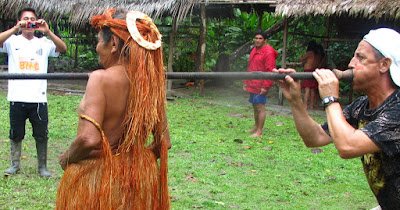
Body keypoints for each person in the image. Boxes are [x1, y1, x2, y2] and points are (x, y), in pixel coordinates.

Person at [56, 9, 171, 209]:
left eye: (99, 40)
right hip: (137, 181)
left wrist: (66, 158)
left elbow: (88, 139)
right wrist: (134, 161)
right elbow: (164, 142)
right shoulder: (152, 84)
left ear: (114, 44)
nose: (97, 47)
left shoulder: (100, 78)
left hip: (97, 180)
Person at [274, 28, 400, 209]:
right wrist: (295, 99)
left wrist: (330, 99)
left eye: (360, 58)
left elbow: (348, 147)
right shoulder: (362, 106)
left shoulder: (397, 108)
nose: (351, 63)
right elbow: (315, 137)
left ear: (384, 65)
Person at [0, 8, 67, 177]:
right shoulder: (12, 41)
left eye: (32, 19)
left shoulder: (43, 43)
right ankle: (15, 165)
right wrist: (16, 28)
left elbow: (63, 48)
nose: (29, 22)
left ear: (37, 22)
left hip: (38, 98)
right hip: (16, 97)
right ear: (20, 22)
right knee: (16, 133)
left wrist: (48, 31)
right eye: (25, 19)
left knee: (41, 134)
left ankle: (42, 167)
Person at [243, 30, 278, 137]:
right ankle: (255, 127)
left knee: (260, 107)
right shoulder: (254, 50)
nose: (257, 40)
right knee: (254, 106)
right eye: (256, 38)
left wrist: (266, 86)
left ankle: (260, 131)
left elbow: (270, 70)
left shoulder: (268, 52)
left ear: (265, 40)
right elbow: (250, 67)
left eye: (260, 38)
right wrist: (246, 81)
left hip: (261, 84)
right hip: (252, 83)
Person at [300, 40, 326, 109]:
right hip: (314, 70)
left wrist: (300, 57)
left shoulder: (310, 53)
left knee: (307, 88)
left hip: (308, 70)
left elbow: (302, 59)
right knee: (312, 89)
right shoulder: (318, 54)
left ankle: (305, 105)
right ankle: (312, 105)